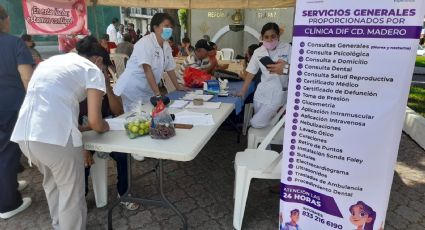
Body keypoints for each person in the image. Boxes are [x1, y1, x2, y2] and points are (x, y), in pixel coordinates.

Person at [10, 36, 110, 229]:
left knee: (53, 184)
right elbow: (96, 122)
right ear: (98, 60)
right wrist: (106, 126)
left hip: (26, 135)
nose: (104, 73)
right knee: (72, 194)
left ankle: (58, 224)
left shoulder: (55, 61)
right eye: (104, 68)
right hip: (56, 138)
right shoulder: (92, 70)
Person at [113, 12, 189, 112]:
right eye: (166, 26)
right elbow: (147, 69)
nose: (169, 29)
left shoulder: (166, 46)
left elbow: (170, 69)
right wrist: (158, 95)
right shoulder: (146, 42)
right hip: (132, 89)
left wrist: (178, 86)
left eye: (170, 27)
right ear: (155, 27)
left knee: (148, 116)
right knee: (135, 119)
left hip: (147, 90)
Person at [0, 5, 34, 220]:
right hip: (11, 107)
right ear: (4, 19)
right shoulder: (14, 43)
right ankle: (8, 203)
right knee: (8, 154)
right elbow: (28, 79)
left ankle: (9, 184)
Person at [237, 22, 291, 128]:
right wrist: (243, 91)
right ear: (262, 37)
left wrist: (285, 69)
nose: (270, 40)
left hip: (278, 94)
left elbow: (298, 68)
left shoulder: (287, 48)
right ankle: (266, 144)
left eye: (273, 36)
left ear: (278, 36)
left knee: (256, 123)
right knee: (266, 125)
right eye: (266, 37)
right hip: (261, 94)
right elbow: (251, 73)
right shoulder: (258, 52)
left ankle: (267, 138)